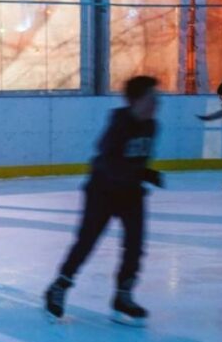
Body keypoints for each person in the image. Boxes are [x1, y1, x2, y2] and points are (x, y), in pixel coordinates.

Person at [44, 76, 163, 327]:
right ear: (136, 101)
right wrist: (142, 174)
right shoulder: (119, 124)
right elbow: (108, 160)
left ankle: (123, 296)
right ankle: (58, 287)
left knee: (135, 246)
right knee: (86, 242)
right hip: (102, 191)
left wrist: (144, 174)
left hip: (130, 193)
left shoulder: (151, 126)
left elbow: (137, 161)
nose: (156, 103)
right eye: (151, 98)